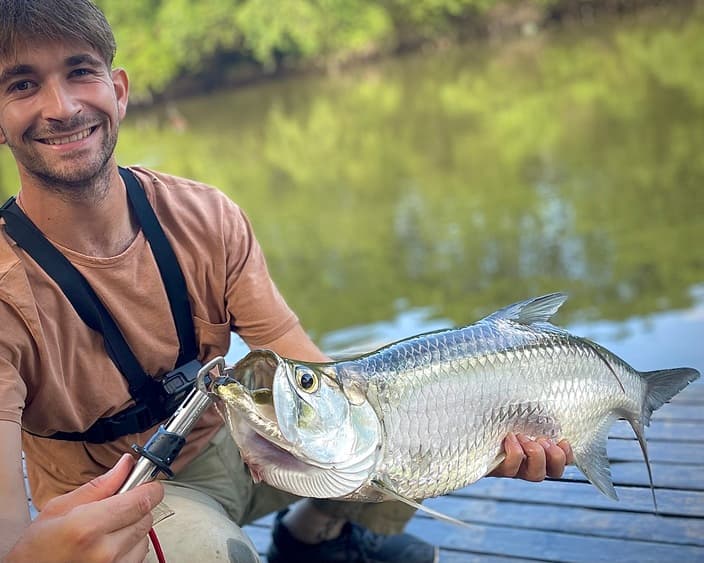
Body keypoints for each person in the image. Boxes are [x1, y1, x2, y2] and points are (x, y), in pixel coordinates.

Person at [0, 1, 574, 562]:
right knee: (210, 552)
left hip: (245, 440)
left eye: (80, 71)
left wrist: (476, 437)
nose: (62, 106)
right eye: (22, 85)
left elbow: (304, 362)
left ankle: (314, 537)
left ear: (118, 90)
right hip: (139, 497)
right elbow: (6, 529)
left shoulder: (205, 215)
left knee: (398, 391)